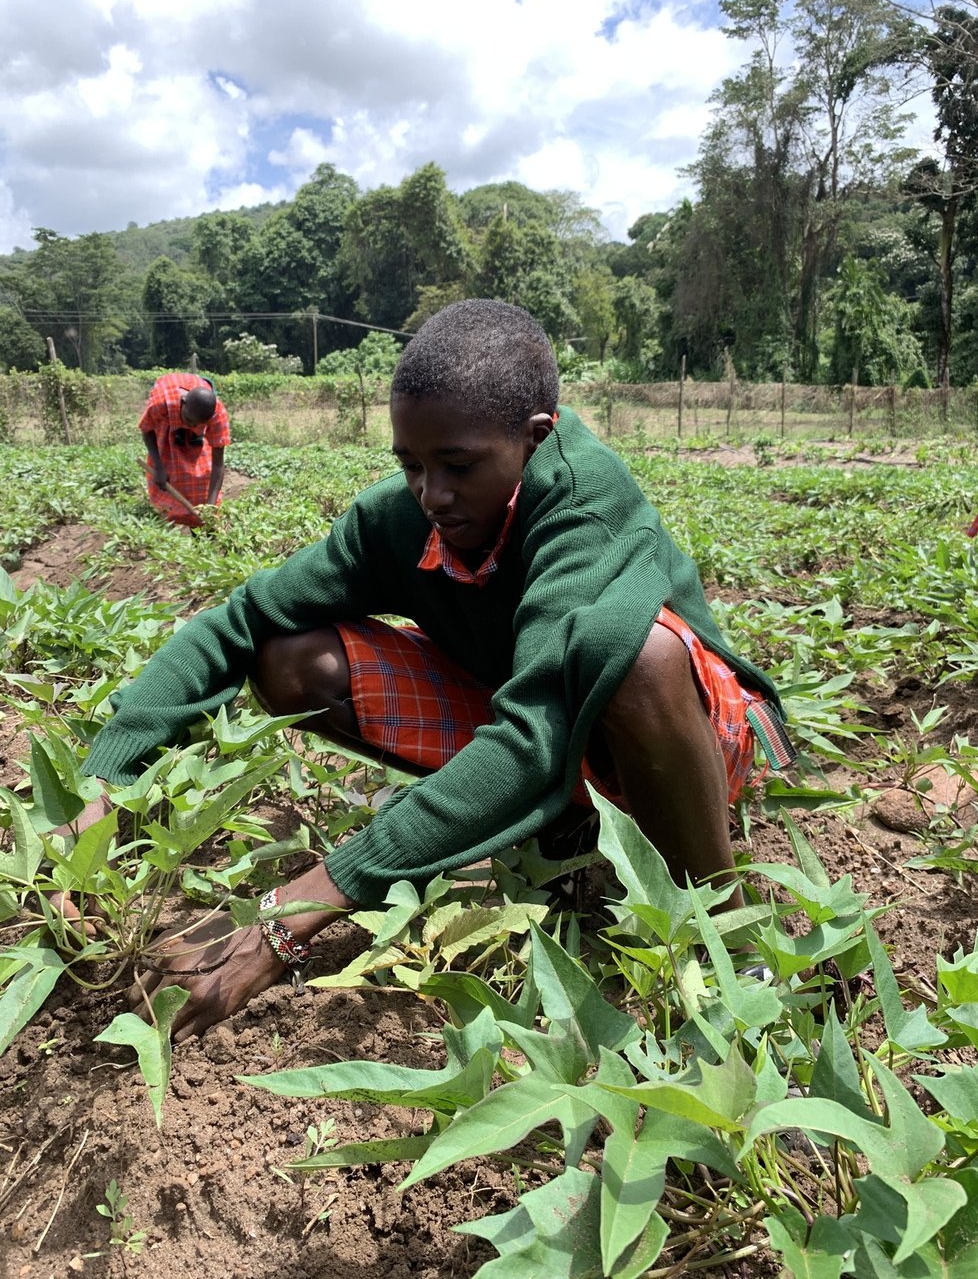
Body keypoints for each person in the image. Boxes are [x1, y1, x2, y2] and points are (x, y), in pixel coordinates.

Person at [80, 300, 793, 1041]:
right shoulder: (400, 518)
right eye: (411, 465)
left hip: (690, 732)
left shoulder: (584, 508)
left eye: (457, 466)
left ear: (533, 439)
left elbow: (534, 737)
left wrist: (299, 908)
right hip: (540, 716)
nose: (433, 494)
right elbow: (239, 620)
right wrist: (103, 781)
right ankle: (566, 828)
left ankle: (726, 938)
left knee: (636, 660)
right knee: (289, 659)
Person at [140, 373, 230, 527]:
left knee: (201, 480)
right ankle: (166, 531)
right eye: (189, 421)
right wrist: (158, 467)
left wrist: (210, 509)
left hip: (193, 414)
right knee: (164, 481)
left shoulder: (217, 415)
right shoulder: (161, 404)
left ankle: (198, 530)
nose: (192, 427)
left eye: (198, 424)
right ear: (183, 403)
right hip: (167, 420)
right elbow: (147, 430)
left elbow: (217, 464)